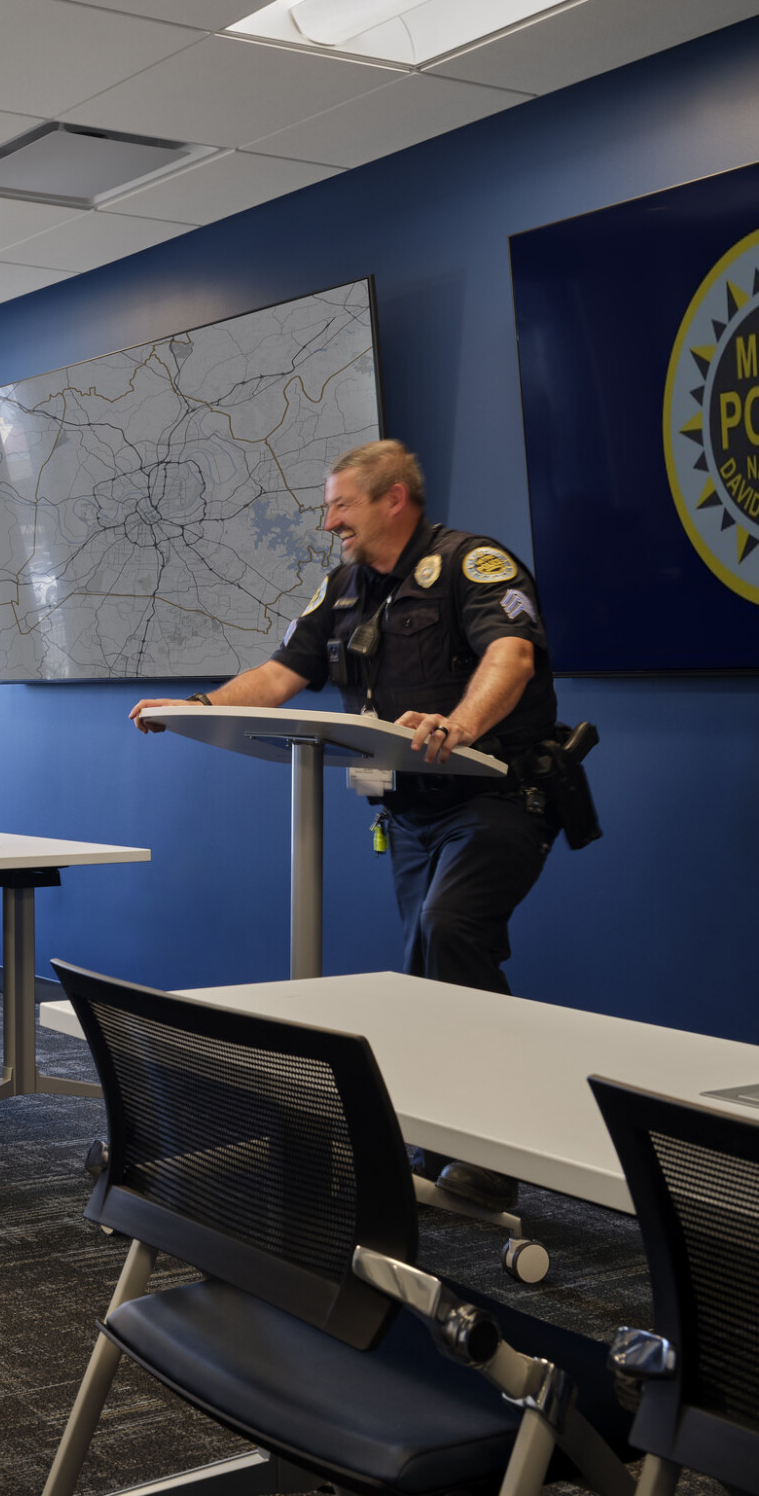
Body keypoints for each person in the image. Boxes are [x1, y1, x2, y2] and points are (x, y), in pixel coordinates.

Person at [129, 440, 560, 1212]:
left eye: (341, 506)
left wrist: (459, 724)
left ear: (394, 498)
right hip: (410, 811)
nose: (330, 522)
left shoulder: (471, 564)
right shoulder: (345, 589)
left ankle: (491, 1154)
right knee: (426, 969)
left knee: (450, 932)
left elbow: (513, 657)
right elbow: (280, 674)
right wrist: (197, 708)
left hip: (498, 800)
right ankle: (451, 1145)